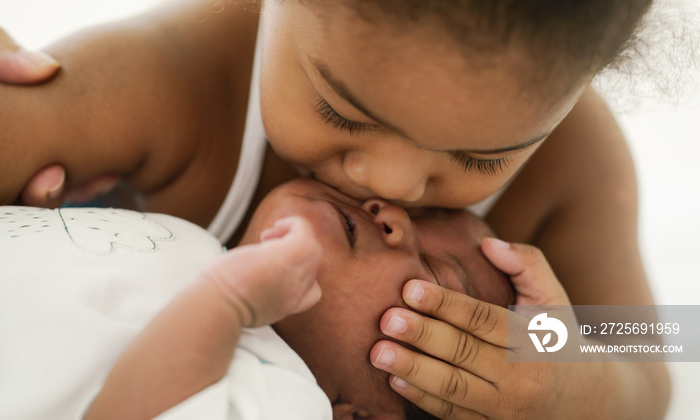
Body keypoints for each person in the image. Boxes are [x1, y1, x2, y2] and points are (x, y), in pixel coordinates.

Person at [0, 0, 678, 417]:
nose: (395, 184)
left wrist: (570, 379)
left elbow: (656, 352)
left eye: (481, 156)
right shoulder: (189, 80)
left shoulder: (573, 163)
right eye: (341, 112)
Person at [1, 178, 551, 420]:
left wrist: (229, 301)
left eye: (439, 275)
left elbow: (641, 339)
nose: (397, 217)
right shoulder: (194, 236)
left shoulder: (288, 401)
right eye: (423, 214)